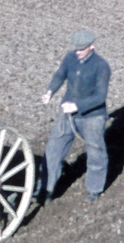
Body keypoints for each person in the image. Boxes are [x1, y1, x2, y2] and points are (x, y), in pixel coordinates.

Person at [41, 30, 110, 202]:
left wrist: (78, 106)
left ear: (92, 46)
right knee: (53, 151)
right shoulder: (70, 58)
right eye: (75, 48)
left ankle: (94, 189)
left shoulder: (101, 66)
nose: (77, 51)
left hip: (92, 117)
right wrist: (50, 92)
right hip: (66, 114)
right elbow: (60, 75)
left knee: (95, 153)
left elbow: (100, 97)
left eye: (81, 48)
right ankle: (46, 189)